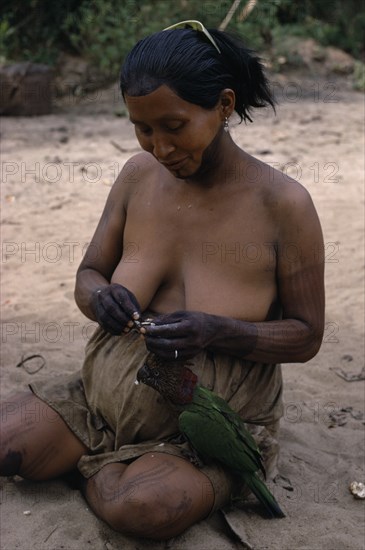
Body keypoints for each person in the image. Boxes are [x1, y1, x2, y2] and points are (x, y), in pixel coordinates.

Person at [0, 21, 325, 540]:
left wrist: (217, 330)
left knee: (143, 510)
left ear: (222, 105)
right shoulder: (136, 176)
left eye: (174, 126)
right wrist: (101, 296)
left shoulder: (283, 204)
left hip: (206, 428)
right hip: (103, 400)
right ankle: (104, 457)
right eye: (142, 128)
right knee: (6, 444)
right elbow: (88, 276)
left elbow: (307, 336)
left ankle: (104, 471)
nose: (160, 147)